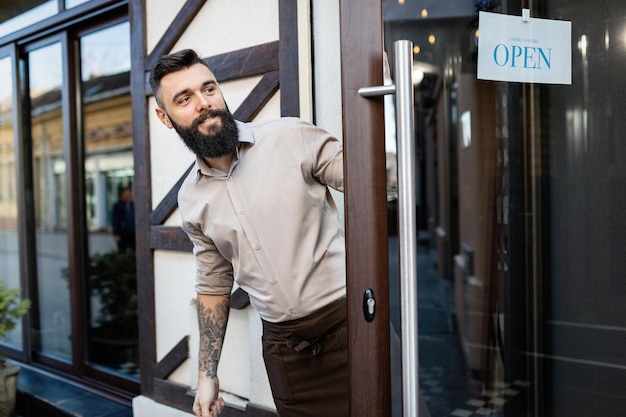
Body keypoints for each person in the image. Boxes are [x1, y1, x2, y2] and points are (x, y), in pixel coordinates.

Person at [149, 49, 347, 417]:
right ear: (165, 117)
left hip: (353, 327)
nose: (204, 104)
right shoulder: (191, 198)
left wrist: (388, 103)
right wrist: (207, 375)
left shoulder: (291, 136)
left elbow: (373, 180)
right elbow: (213, 284)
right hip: (287, 352)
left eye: (208, 89)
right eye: (185, 98)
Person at [111, 186, 136, 251]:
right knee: (122, 251)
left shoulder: (133, 205)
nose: (128, 196)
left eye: (129, 194)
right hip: (123, 233)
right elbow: (115, 220)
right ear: (122, 194)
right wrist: (116, 234)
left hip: (133, 233)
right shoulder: (117, 205)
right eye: (126, 194)